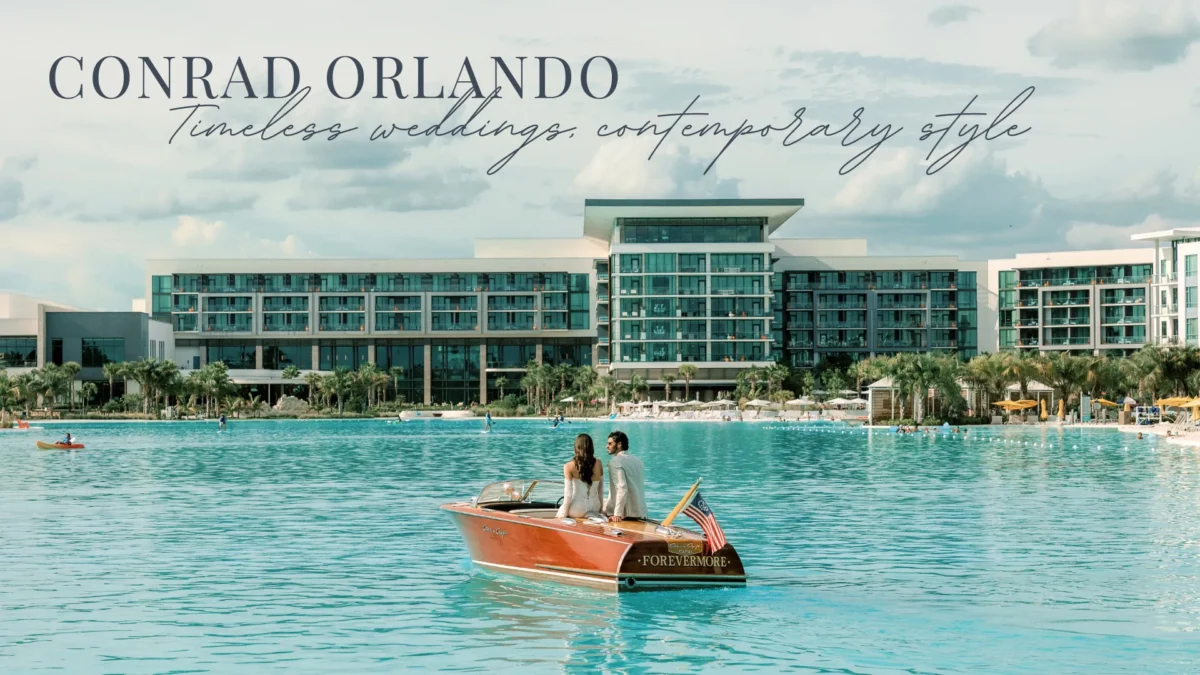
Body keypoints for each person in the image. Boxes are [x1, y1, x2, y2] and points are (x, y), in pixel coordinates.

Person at [556, 434, 603, 519]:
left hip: (577, 509)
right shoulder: (599, 463)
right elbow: (601, 491)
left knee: (560, 513)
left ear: (576, 447)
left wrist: (563, 513)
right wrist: (601, 510)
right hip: (595, 508)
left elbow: (568, 495)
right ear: (591, 447)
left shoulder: (568, 466)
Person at [603, 430, 646, 523]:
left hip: (625, 513)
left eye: (610, 444)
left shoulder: (615, 462)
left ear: (619, 444)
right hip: (640, 511)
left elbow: (622, 488)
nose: (607, 446)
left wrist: (617, 514)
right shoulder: (638, 461)